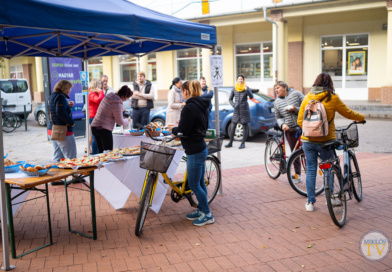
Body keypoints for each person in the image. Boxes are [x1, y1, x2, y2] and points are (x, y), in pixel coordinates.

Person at [297, 73, 365, 212]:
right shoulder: (332, 98)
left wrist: (311, 131)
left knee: (311, 170)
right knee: (328, 168)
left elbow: (299, 121)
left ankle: (310, 202)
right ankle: (331, 198)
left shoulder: (307, 98)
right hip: (326, 141)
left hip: (307, 141)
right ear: (330, 84)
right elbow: (348, 112)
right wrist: (361, 117)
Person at [171, 80, 214, 227]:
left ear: (186, 92)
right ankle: (201, 209)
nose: (182, 94)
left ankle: (207, 214)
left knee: (195, 184)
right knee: (200, 182)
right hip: (200, 146)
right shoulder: (202, 104)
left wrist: (173, 130)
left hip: (194, 150)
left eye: (182, 92)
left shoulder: (189, 107)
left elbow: (183, 130)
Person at [274, 81, 304, 182]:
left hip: (303, 128)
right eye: (275, 88)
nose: (276, 90)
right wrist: (282, 124)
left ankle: (310, 177)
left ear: (285, 87)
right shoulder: (277, 102)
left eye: (278, 88)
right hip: (290, 130)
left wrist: (295, 109)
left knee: (306, 152)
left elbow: (307, 107)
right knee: (294, 153)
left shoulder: (296, 94)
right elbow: (278, 117)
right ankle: (298, 175)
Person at [91, 86, 133, 153]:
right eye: (128, 97)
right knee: (108, 153)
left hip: (95, 126)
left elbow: (109, 110)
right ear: (124, 96)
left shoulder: (109, 97)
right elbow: (120, 122)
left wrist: (119, 111)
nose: (127, 99)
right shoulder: (117, 103)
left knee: (101, 152)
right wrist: (127, 120)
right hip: (104, 129)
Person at [47, 80, 77, 162]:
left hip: (52, 129)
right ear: (65, 89)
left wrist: (67, 106)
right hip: (63, 131)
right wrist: (71, 122)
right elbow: (60, 113)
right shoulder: (60, 97)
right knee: (71, 158)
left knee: (58, 158)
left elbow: (53, 111)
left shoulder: (52, 96)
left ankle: (55, 173)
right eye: (69, 89)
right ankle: (74, 174)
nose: (70, 91)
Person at [225, 74, 253, 149]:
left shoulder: (246, 87)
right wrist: (234, 105)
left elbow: (251, 97)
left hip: (244, 110)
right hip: (236, 110)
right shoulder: (234, 88)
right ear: (237, 80)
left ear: (243, 80)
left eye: (241, 79)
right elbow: (230, 99)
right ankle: (230, 143)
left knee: (245, 126)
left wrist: (247, 89)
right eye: (239, 79)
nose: (240, 80)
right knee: (233, 125)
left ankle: (243, 143)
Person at [88, 79, 104, 155]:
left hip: (97, 116)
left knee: (98, 136)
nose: (101, 87)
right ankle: (95, 153)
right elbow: (98, 100)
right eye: (100, 85)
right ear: (97, 85)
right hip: (94, 116)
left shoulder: (94, 93)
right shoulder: (91, 93)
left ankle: (98, 152)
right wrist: (101, 92)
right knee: (96, 136)